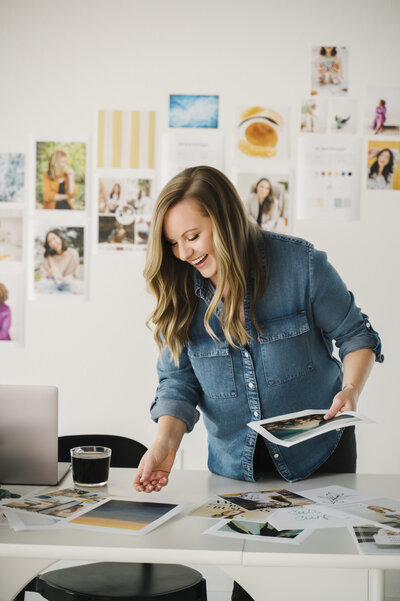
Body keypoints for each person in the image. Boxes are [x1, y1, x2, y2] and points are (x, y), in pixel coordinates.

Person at [133, 166, 383, 601]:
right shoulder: (181, 292)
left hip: (318, 457)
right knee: (251, 589)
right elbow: (178, 384)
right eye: (173, 243)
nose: (184, 252)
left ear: (224, 220)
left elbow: (356, 335)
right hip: (236, 471)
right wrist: (165, 445)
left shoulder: (300, 263)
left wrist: (351, 389)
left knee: (323, 586)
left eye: (193, 236)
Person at [38, 230, 81, 294]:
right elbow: (43, 273)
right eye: (49, 241)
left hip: (68, 283)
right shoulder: (49, 256)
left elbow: (73, 274)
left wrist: (64, 280)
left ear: (60, 238)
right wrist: (50, 273)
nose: (52, 242)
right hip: (52, 283)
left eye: (54, 238)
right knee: (39, 288)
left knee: (77, 291)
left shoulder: (73, 253)